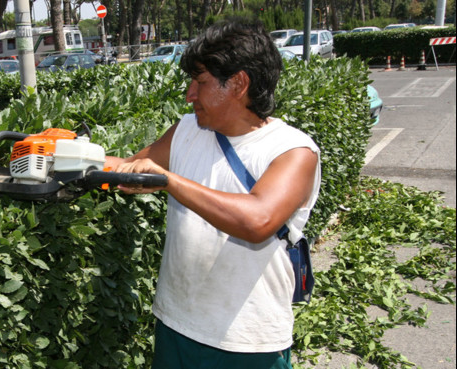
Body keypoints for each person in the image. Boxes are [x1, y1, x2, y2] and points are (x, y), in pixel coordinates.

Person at [106, 18, 321, 369]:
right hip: (176, 325)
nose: (190, 94)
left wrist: (169, 181)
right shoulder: (187, 131)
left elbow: (258, 220)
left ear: (238, 83)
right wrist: (60, 155)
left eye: (201, 82)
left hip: (247, 342)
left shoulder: (293, 151)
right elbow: (128, 166)